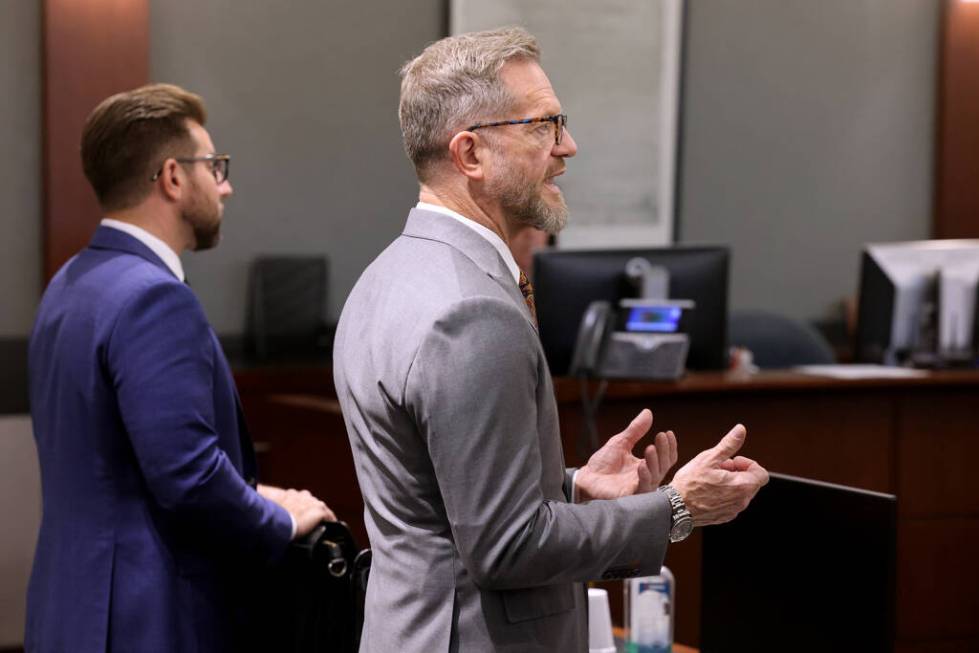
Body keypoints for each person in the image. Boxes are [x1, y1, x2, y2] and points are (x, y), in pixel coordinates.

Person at [333, 27, 769, 652]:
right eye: (543, 125)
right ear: (470, 154)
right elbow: (506, 548)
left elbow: (443, 498)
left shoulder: (384, 277)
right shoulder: (473, 311)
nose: (568, 146)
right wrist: (676, 507)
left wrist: (571, 489)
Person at [26, 83, 334, 653]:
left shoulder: (67, 285)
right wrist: (281, 520)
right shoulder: (154, 298)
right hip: (147, 620)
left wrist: (252, 493)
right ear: (172, 177)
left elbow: (118, 466)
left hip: (68, 610)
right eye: (214, 166)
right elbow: (187, 479)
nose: (226, 185)